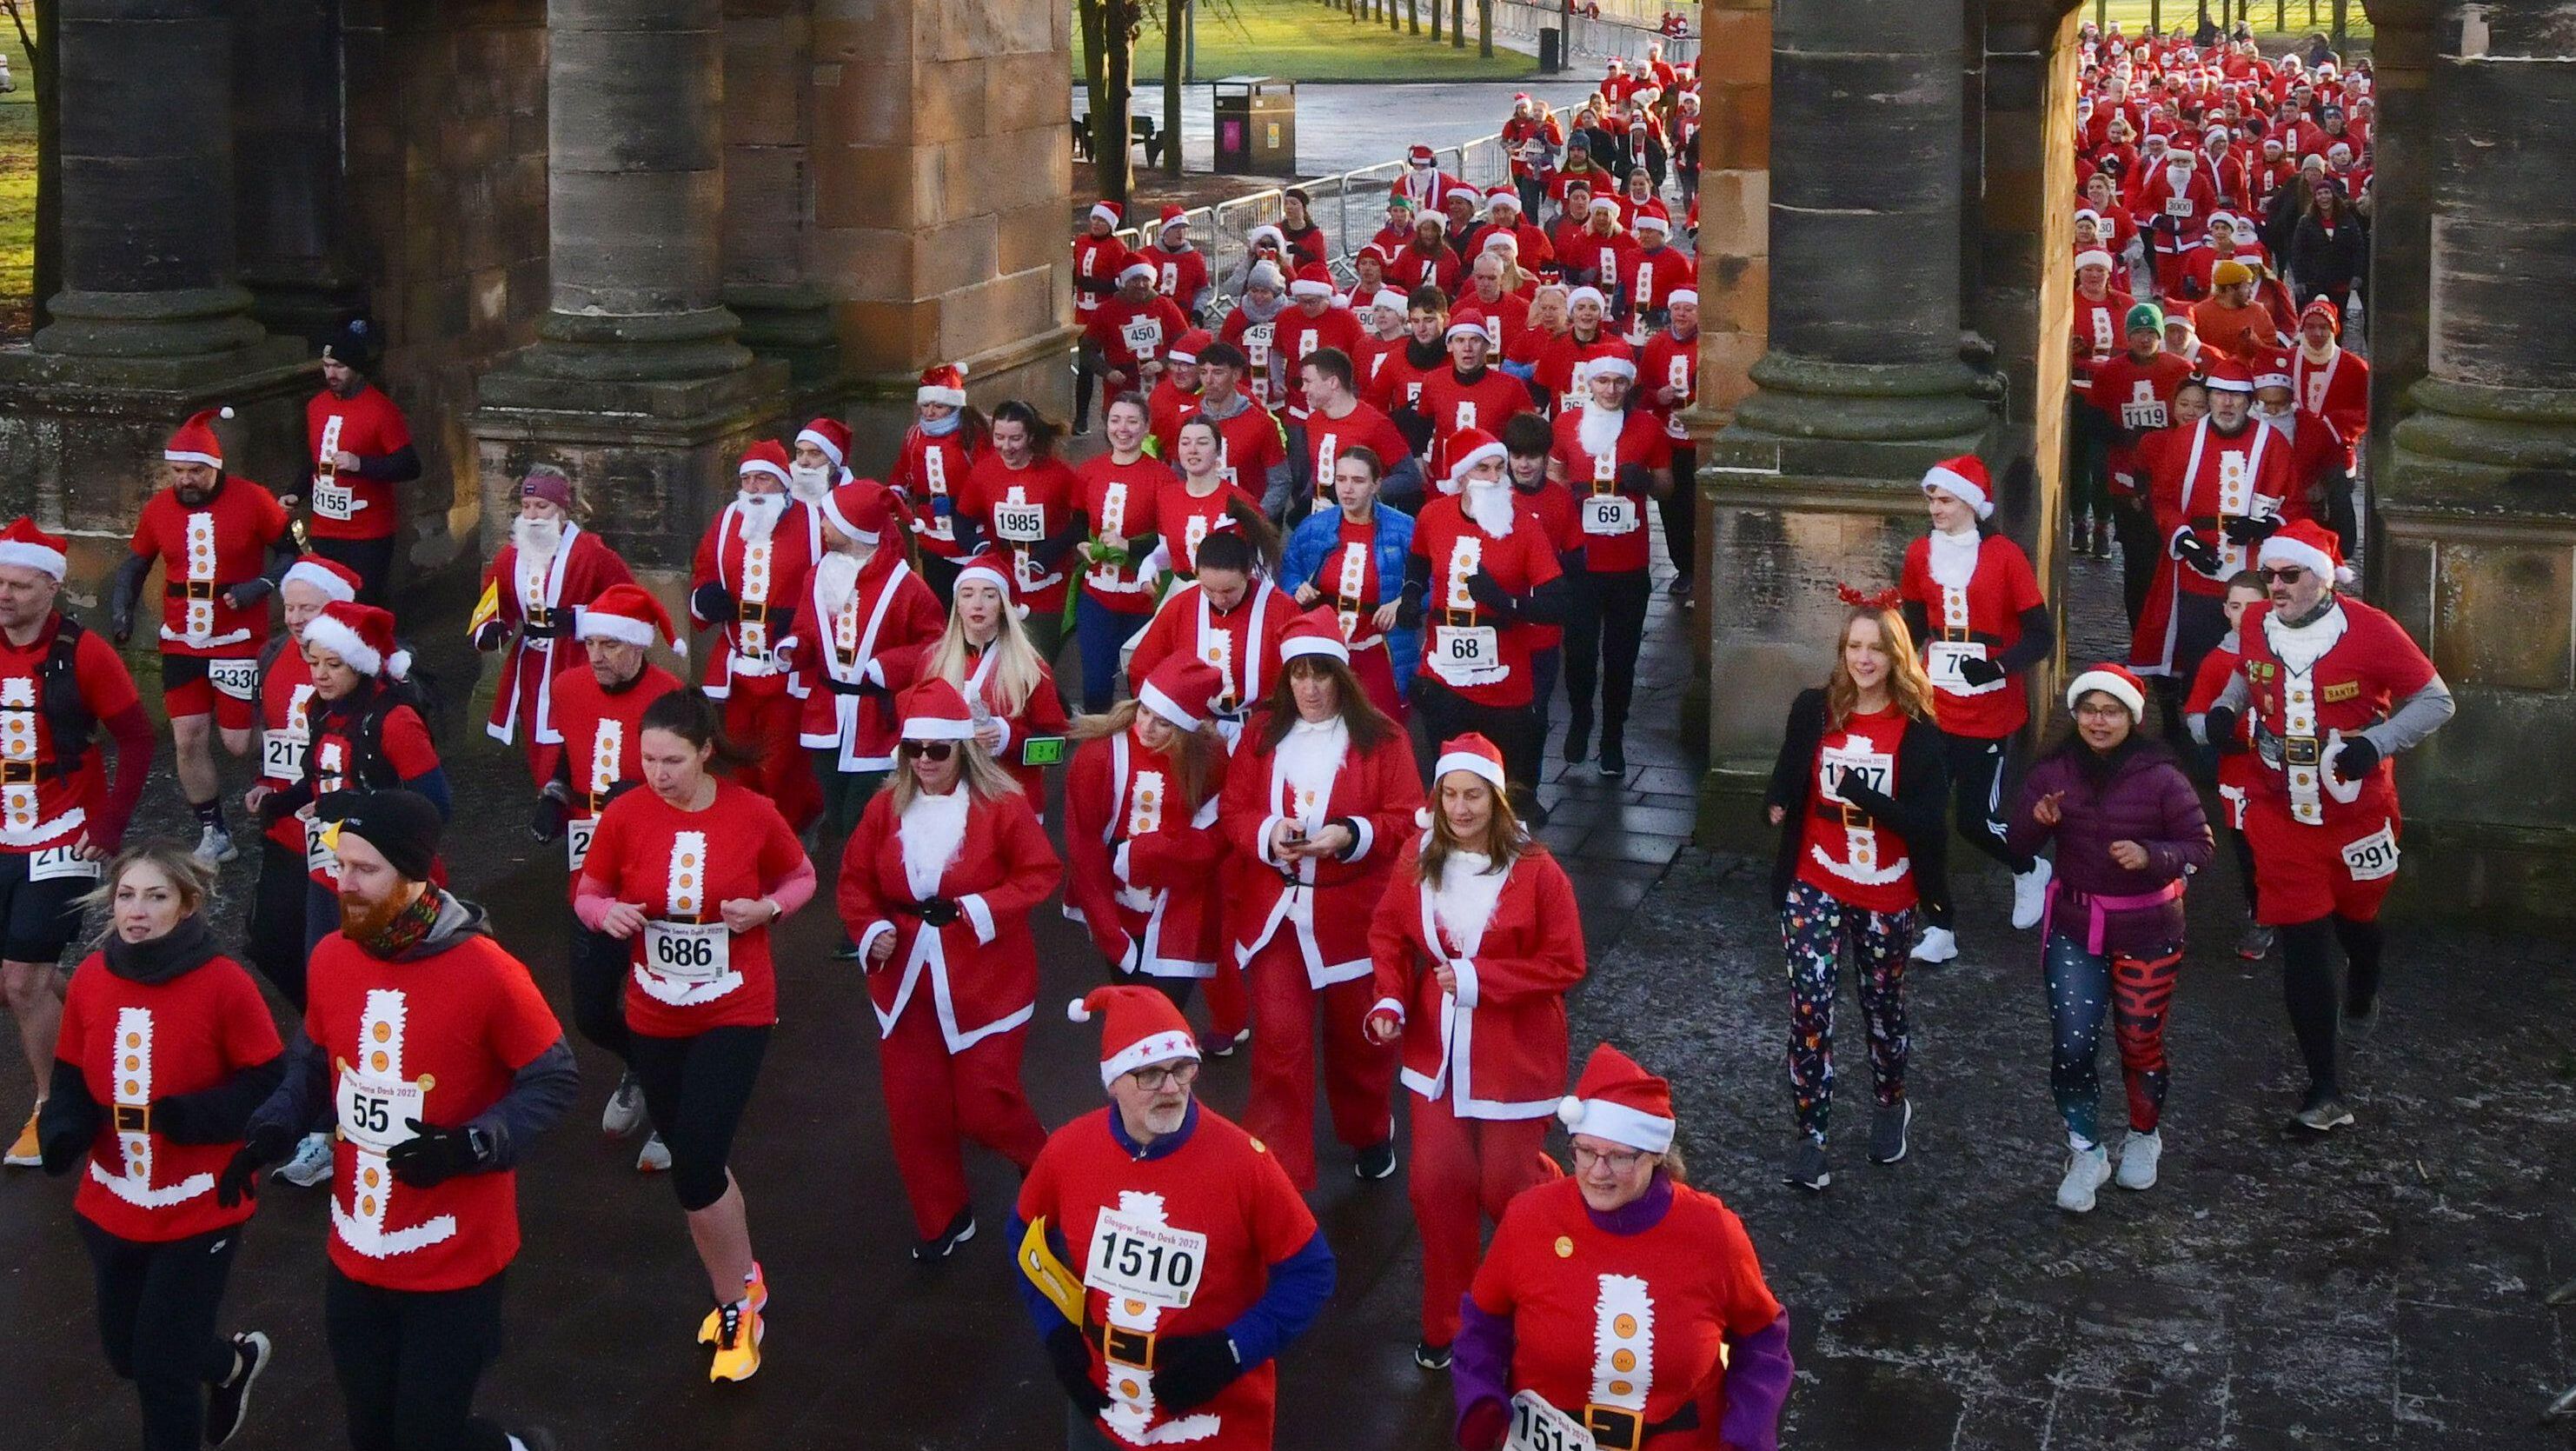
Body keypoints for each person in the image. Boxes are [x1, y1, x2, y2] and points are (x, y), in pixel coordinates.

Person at [226, 789, 574, 1451]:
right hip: (356, 1250)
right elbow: (313, 1061)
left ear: (415, 873)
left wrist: (473, 1144)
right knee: (371, 1429)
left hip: (456, 1255)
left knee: (424, 1437)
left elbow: (554, 1078)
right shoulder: (331, 955)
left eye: (364, 869)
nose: (341, 884)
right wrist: (268, 1130)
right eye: (338, 864)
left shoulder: (488, 970)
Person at [574, 689, 813, 1380]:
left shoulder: (753, 813)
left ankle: (736, 1302)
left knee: (699, 1159)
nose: (658, 772)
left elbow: (801, 877)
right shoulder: (623, 814)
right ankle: (746, 1274)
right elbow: (588, 892)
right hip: (654, 1010)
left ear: (706, 750)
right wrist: (606, 915)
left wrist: (765, 907)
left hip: (735, 1006)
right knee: (692, 1154)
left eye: (672, 759)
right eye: (647, 758)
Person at [2203, 522, 2454, 1134]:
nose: (2277, 585)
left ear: (2324, 576)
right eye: (2270, 575)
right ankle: (2325, 1089)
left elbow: (2436, 699)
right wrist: (2225, 707)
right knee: (2303, 941)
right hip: (2279, 810)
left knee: (2357, 925)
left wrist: (2376, 742)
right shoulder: (2258, 620)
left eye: (2290, 574)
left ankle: (2365, 977)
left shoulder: (2371, 629)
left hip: (2357, 814)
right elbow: (2245, 669)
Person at [1011, 984, 1334, 1451]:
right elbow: (1025, 1236)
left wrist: (1233, 1351)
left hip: (1212, 1416)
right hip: (1100, 1411)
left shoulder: (1246, 1164)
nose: (1170, 1089)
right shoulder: (1067, 1150)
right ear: (1113, 1082)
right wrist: (1057, 1335)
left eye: (1182, 1069)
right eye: (1149, 1074)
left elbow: (1312, 1271)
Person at [37, 845, 284, 1451]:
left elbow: (269, 1084)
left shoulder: (226, 983)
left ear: (188, 904)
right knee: (128, 1354)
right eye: (126, 895)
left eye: (156, 896)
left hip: (200, 1204)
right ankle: (230, 1363)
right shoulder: (93, 976)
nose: (137, 911)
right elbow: (70, 1070)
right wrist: (63, 1126)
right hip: (113, 1202)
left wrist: (187, 1116)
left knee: (162, 1369)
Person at [1364, 733, 1584, 1368]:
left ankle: (1544, 1288)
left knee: (1506, 1187)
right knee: (1437, 1183)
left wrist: (1484, 980)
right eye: (1451, 796)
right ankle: (1452, 1324)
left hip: (1514, 1052)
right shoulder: (1416, 854)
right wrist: (1388, 999)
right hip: (1435, 1050)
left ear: (1497, 798)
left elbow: (1567, 961)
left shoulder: (1538, 869)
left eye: (1473, 797)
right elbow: (1387, 930)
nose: (1460, 809)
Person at [1452, 1043, 1794, 1451]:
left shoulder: (1713, 1232)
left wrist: (1747, 1434)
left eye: (1619, 1157)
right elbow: (1482, 1325)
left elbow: (1763, 1340)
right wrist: (1479, 1398)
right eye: (1585, 1152)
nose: (1598, 1172)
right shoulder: (1529, 1218)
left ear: (1655, 1157)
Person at [837, 679, 1059, 1260]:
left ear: (964, 748)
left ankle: (1046, 1165)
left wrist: (980, 909)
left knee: (986, 1102)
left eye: (939, 749)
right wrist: (871, 930)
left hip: (987, 978)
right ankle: (943, 1216)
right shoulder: (884, 808)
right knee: (915, 1109)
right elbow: (856, 882)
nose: (926, 761)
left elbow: (1040, 873)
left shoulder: (1002, 806)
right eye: (915, 750)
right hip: (905, 981)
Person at [251, 599, 452, 1188]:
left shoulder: (395, 721)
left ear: (362, 664)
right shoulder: (321, 708)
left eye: (334, 663)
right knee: (326, 1001)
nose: (318, 672)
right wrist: (285, 802)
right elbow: (322, 777)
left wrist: (354, 809)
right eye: (313, 660)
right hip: (329, 874)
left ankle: (414, 1114)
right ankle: (323, 1129)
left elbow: (437, 806)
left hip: (395, 884)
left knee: (399, 1002)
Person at [1221, 612, 1422, 1191]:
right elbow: (1234, 812)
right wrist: (1267, 833)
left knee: (1359, 1044)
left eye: (1321, 675)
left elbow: (1408, 817)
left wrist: (1351, 833)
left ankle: (1367, 1129)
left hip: (1353, 918)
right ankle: (1278, 1174)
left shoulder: (1382, 738)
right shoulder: (1261, 735)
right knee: (1280, 1044)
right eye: (1298, 676)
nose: (1309, 689)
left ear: (1343, 677)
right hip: (1276, 917)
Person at [2004, 664, 2213, 1213]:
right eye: (2090, 709)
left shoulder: (2164, 776)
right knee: (2072, 1048)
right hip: (2075, 929)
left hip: (2149, 930)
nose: (2100, 721)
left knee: (2139, 1041)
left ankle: (2144, 1136)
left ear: (2132, 718)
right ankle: (2085, 1150)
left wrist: (2154, 856)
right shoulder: (2053, 769)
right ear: (2075, 714)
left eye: (2112, 710)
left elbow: (2200, 846)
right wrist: (2037, 818)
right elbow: (2018, 843)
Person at [1761, 593, 1947, 1192]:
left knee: (1881, 1004)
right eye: (1854, 647)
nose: (1864, 659)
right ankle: (1810, 1135)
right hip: (1815, 876)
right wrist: (1778, 799)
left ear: (1898, 656)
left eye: (1876, 648)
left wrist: (1867, 799)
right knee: (1810, 1008)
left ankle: (1891, 1100)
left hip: (1886, 886)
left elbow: (1926, 824)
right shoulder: (1815, 708)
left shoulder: (1919, 731)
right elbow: (1792, 763)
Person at [0, 518, 162, 1168]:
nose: (4, 594)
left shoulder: (86, 652)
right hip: (4, 831)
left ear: (52, 585)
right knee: (14, 979)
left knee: (22, 981)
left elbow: (139, 738)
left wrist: (110, 825)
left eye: (18, 584)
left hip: (64, 832)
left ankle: (53, 1108)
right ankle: (92, 1038)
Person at [532, 584, 685, 1170]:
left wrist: (645, 794)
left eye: (611, 644)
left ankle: (674, 1113)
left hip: (657, 868)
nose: (596, 654)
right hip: (591, 872)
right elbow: (571, 753)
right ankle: (643, 1067)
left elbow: (702, 779)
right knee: (593, 1011)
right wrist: (552, 794)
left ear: (639, 646)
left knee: (665, 999)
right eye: (591, 641)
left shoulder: (671, 698)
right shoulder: (568, 686)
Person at [110, 408, 295, 865]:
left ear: (215, 467)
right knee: (188, 738)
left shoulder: (254, 500)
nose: (186, 480)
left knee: (235, 742)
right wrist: (121, 609)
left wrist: (261, 586)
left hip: (238, 639)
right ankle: (214, 831)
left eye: (195, 471)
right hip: (179, 641)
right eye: (178, 471)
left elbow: (293, 555)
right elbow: (136, 564)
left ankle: (290, 749)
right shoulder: (157, 508)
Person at [1895, 456, 2056, 964]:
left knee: (1974, 821)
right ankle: (1939, 926)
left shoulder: (2006, 555)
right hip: (1932, 704)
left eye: (1943, 500)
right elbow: (1914, 624)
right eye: (1931, 500)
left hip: (1989, 708)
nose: (1934, 508)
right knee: (1922, 819)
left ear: (1970, 503)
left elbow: (2040, 636)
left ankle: (2029, 866)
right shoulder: (1919, 553)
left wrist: (1998, 667)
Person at [1062, 657, 1236, 1042]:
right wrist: (1109, 932)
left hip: (1181, 909)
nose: (1146, 726)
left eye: (1163, 722)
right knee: (1131, 1019)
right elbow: (1084, 847)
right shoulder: (1098, 756)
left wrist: (1154, 854)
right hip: (1119, 907)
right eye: (1144, 710)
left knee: (1163, 1025)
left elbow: (1219, 834)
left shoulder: (1210, 761)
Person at [779, 482, 946, 869]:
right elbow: (807, 631)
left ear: (853, 527)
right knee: (835, 812)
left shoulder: (906, 586)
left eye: (830, 518)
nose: (820, 524)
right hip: (827, 717)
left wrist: (887, 667)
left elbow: (935, 644)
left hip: (876, 721)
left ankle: (868, 891)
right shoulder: (817, 576)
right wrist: (794, 648)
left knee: (861, 816)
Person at [1403, 430, 1567, 813]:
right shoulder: (1433, 515)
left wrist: (1505, 601)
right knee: (1449, 784)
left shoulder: (1523, 526)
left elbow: (1558, 603)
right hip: (1444, 675)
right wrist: (1411, 593)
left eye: (1499, 468)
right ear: (1461, 477)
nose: (1495, 478)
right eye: (1483, 469)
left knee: (1500, 793)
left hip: (1504, 680)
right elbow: (1419, 558)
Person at [469, 466, 653, 788]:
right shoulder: (509, 557)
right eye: (526, 507)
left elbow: (631, 601)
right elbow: (492, 604)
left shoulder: (592, 553)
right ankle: (549, 801)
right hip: (531, 665)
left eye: (542, 506)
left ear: (562, 510)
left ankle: (576, 808)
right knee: (537, 742)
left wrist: (581, 619)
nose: (532, 515)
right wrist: (491, 628)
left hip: (577, 660)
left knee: (572, 741)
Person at [2131, 361, 2300, 703]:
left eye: (2235, 397)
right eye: (2220, 395)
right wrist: (2186, 540)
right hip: (2199, 571)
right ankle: (2197, 735)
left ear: (2249, 401)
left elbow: (2294, 507)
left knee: (2256, 659)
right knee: (2197, 658)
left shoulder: (2273, 443)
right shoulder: (2184, 440)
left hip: (2253, 575)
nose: (2226, 404)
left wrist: (2267, 525)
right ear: (2209, 398)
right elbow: (2163, 500)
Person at [242, 555, 365, 1016]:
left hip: (342, 837)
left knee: (341, 946)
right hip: (286, 829)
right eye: (289, 608)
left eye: (306, 609)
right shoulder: (272, 655)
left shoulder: (362, 663)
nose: (294, 619)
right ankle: (323, 1022)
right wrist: (263, 783)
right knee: (269, 944)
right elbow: (276, 737)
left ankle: (340, 1032)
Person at [690, 441, 823, 835]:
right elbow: (703, 571)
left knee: (781, 763)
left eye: (763, 479)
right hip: (738, 665)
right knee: (739, 756)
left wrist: (800, 621)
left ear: (782, 483)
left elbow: (835, 584)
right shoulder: (727, 521)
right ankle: (748, 833)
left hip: (786, 668)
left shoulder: (814, 523)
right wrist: (706, 598)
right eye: (747, 479)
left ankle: (787, 833)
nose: (754, 488)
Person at [1548, 356, 1671, 778]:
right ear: (1590, 383)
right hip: (1581, 561)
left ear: (1630, 386)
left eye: (1620, 382)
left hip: (1629, 563)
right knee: (1580, 654)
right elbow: (1555, 478)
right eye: (1603, 381)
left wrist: (1647, 483)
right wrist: (1568, 503)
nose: (1611, 389)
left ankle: (1612, 737)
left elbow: (1667, 486)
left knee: (1622, 657)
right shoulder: (1565, 424)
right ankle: (1581, 717)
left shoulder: (1649, 428)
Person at [881, 550, 1073, 808]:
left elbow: (1055, 747)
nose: (978, 604)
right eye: (967, 594)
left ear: (1004, 607)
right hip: (945, 800)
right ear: (957, 605)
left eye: (989, 595)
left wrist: (1007, 737)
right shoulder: (932, 662)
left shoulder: (1031, 668)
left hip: (1010, 801)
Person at [1281, 447, 1419, 722]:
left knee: (1382, 727)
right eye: (1341, 479)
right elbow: (1289, 571)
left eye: (1358, 481)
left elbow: (1434, 582)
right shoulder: (1313, 528)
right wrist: (1297, 587)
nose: (1347, 489)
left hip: (1380, 647)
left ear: (1376, 484)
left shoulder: (1404, 529)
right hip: (1327, 649)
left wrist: (1404, 602)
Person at [1128, 528, 1291, 748]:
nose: (1219, 599)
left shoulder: (1281, 610)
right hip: (1194, 731)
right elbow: (1144, 666)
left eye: (1228, 591)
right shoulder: (1181, 607)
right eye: (1209, 589)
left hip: (1261, 729)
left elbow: (1298, 674)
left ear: (1249, 573)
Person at [2185, 572, 2273, 961]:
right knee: (2248, 852)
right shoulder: (2217, 660)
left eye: (2252, 606)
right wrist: (2215, 733)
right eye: (2235, 607)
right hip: (2238, 775)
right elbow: (2196, 716)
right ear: (2225, 611)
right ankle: (2261, 915)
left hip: (2284, 775)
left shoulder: (2286, 653)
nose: (2243, 615)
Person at [959, 401, 1086, 670]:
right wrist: (977, 546)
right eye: (999, 437)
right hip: (1001, 588)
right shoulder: (983, 471)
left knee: (1037, 667)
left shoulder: (1058, 474)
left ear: (1030, 436)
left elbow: (1081, 522)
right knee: (1000, 667)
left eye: (1015, 438)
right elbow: (962, 519)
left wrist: (1051, 552)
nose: (1006, 447)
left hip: (1047, 589)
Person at [306, 317, 421, 603]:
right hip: (323, 529)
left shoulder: (382, 410)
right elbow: (314, 460)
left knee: (362, 607)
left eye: (339, 367)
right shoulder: (316, 405)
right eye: (327, 366)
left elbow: (409, 465)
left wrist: (361, 464)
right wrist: (295, 492)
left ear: (356, 369)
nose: (331, 374)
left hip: (367, 534)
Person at [1071, 395, 1173, 715]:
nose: (1122, 429)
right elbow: (1076, 521)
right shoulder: (1088, 471)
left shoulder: (1162, 476)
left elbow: (1171, 539)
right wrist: (1082, 545)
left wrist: (1131, 547)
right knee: (1096, 683)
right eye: (1115, 420)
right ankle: (1097, 749)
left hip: (1142, 599)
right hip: (1097, 595)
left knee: (1140, 681)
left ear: (1146, 428)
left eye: (1132, 421)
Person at [1281, 348, 1422, 521]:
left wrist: (1362, 491)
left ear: (1333, 382)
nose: (1303, 389)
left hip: (1363, 522)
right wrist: (1305, 501)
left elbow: (1411, 477)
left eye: (1308, 381)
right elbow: (1321, 468)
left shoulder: (1375, 424)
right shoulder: (1313, 421)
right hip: (1321, 522)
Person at [891, 363, 986, 602]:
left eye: (939, 406)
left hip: (968, 530)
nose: (930, 412)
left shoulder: (972, 436)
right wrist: (895, 496)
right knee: (939, 598)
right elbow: (902, 474)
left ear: (954, 405)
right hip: (930, 531)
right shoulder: (914, 437)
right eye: (925, 405)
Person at [1416, 310, 1537, 476]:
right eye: (1460, 340)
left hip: (1493, 479)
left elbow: (1529, 435)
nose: (1467, 348)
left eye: (1475, 340)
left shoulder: (1511, 386)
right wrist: (1417, 456)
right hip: (1444, 478)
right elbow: (1423, 425)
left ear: (1487, 345)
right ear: (1449, 346)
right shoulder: (1432, 381)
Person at [1637, 288, 1702, 595]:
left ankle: (1703, 567)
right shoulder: (1657, 344)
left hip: (1698, 440)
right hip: (1668, 438)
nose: (1682, 314)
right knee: (1672, 506)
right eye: (1677, 309)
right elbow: (1641, 388)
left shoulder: (1708, 344)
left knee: (1697, 506)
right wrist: (1656, 396)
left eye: (1688, 309)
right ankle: (1684, 568)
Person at [1085, 263, 1192, 409]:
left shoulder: (1166, 306)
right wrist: (1107, 372)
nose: (1141, 285)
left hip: (1163, 387)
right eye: (1135, 280)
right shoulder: (1106, 310)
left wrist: (1163, 363)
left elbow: (1185, 343)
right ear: (1124, 282)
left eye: (1145, 279)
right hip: (1122, 389)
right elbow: (1087, 350)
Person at [1272, 263, 1368, 416]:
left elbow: (1363, 356)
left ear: (1327, 298)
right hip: (1297, 404)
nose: (1307, 307)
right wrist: (1277, 381)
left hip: (1335, 404)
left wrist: (1354, 389)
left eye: (1313, 302)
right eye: (1302, 301)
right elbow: (1277, 352)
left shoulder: (1346, 319)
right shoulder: (1286, 317)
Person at [1072, 201, 1132, 433]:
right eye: (1094, 219)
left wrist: (1099, 285)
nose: (1096, 224)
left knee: (1112, 366)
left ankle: (1118, 415)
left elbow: (1123, 282)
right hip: (1084, 314)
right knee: (1086, 365)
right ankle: (1081, 419)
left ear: (1111, 225)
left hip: (1108, 315)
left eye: (1102, 221)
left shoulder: (1117, 248)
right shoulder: (1081, 242)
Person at [1144, 206, 1214, 323]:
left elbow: (1202, 289)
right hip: (1153, 316)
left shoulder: (1195, 258)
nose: (1180, 232)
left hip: (1183, 317)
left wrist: (1198, 311)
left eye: (1183, 228)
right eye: (1175, 228)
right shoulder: (1148, 254)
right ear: (1165, 231)